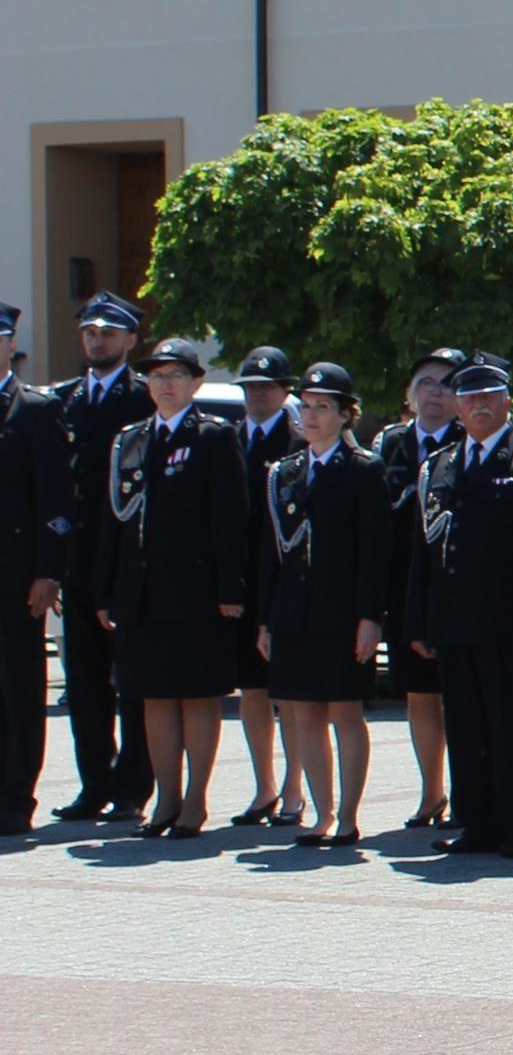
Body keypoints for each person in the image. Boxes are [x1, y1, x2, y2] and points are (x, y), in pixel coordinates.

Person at [408, 355, 513, 859]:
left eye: (488, 397)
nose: (479, 406)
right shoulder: (439, 466)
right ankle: (477, 823)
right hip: (456, 621)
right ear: (457, 407)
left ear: (506, 402)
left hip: (512, 624)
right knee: (466, 727)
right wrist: (420, 618)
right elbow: (424, 552)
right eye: (469, 398)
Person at [100, 338, 246, 836]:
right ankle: (165, 797)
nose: (165, 384)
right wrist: (106, 590)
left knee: (197, 696)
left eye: (177, 375)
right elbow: (113, 523)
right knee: (153, 696)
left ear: (197, 382)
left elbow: (231, 519)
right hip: (142, 593)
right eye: (157, 375)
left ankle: (195, 800)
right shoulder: (131, 440)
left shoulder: (213, 437)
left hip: (197, 592)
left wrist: (231, 588)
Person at [255, 363, 389, 848]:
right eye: (306, 406)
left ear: (346, 414)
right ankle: (323, 812)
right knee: (302, 713)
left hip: (342, 613)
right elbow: (271, 552)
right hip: (293, 612)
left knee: (344, 712)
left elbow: (375, 551)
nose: (311, 416)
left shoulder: (363, 469)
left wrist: (371, 616)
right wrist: (266, 619)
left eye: (323, 407)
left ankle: (349, 815)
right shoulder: (284, 472)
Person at [51, 293, 152, 822]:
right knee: (85, 682)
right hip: (79, 563)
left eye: (109, 332)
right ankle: (94, 784)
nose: (98, 339)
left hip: (131, 565)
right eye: (90, 331)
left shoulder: (145, 401)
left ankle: (133, 788)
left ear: (131, 340)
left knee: (132, 681)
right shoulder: (62, 402)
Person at [369, 348, 469, 831]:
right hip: (402, 591)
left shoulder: (469, 442)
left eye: (448, 385)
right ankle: (432, 793)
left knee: (462, 697)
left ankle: (469, 792)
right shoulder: (389, 446)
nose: (436, 393)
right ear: (410, 395)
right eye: (427, 383)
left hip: (452, 591)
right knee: (419, 697)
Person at [0, 305, 73, 836]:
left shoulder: (34, 411)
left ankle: (14, 795)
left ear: (10, 345)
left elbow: (56, 501)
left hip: (16, 577)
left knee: (19, 689)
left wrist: (49, 571)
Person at [227, 345, 302, 828]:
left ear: (284, 393)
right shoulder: (227, 440)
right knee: (251, 691)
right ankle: (264, 789)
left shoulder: (298, 444)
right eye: (250, 389)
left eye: (266, 388)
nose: (257, 396)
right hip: (240, 585)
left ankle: (296, 789)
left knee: (290, 693)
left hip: (286, 584)